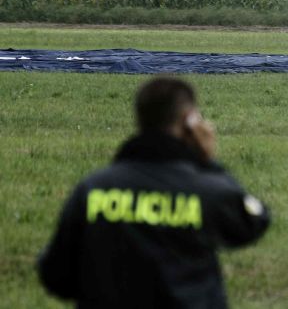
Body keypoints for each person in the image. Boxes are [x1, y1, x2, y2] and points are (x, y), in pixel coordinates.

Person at [37, 77, 270, 308]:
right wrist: (206, 161)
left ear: (140, 119)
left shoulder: (93, 188)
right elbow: (253, 222)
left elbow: (55, 274)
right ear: (189, 122)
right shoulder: (206, 191)